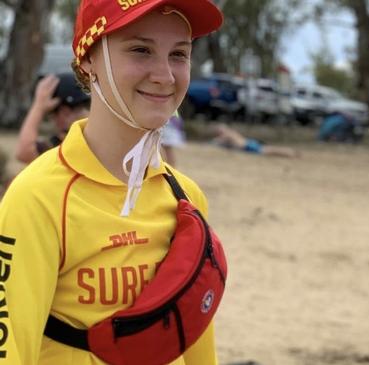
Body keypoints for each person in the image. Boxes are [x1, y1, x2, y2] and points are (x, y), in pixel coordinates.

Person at [0, 1, 226, 364]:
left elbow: (196, 339)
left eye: (179, 54)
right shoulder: (38, 197)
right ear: (88, 59)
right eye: (141, 50)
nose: (165, 75)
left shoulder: (185, 195)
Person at [15, 73, 90, 164]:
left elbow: (24, 152)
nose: (53, 119)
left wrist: (38, 107)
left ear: (64, 111)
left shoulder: (63, 146)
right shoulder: (99, 137)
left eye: (53, 113)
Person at [211, 123, 298, 158]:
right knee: (271, 149)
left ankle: (290, 153)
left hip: (247, 146)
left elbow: (215, 143)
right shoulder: (232, 132)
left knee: (271, 151)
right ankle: (290, 152)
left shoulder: (227, 135)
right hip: (249, 142)